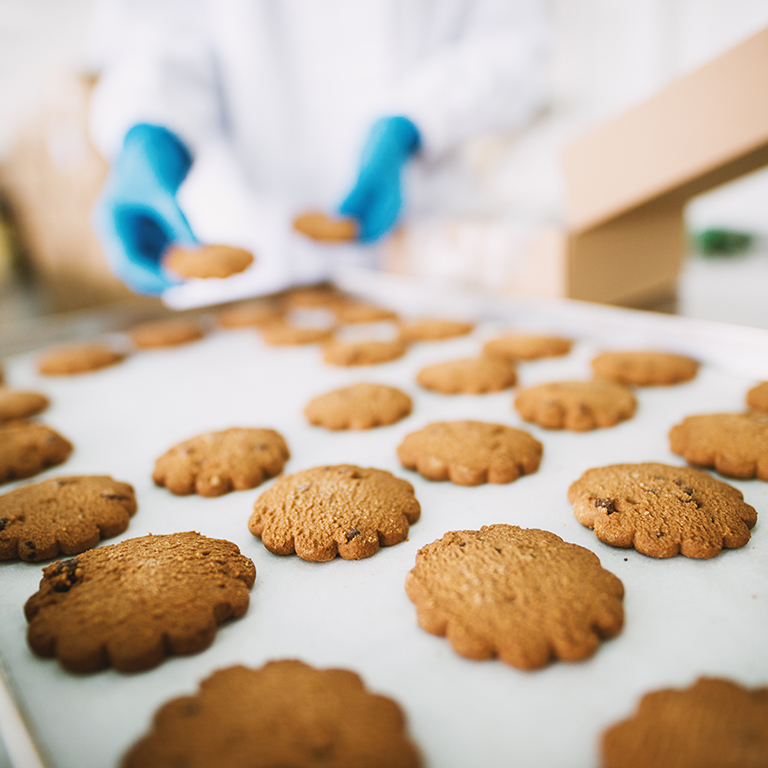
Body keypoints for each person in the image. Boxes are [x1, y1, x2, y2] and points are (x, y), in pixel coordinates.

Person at [88, 0, 550, 306]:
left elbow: (514, 41)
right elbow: (152, 32)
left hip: (419, 252)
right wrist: (150, 132)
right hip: (239, 251)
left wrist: (416, 120)